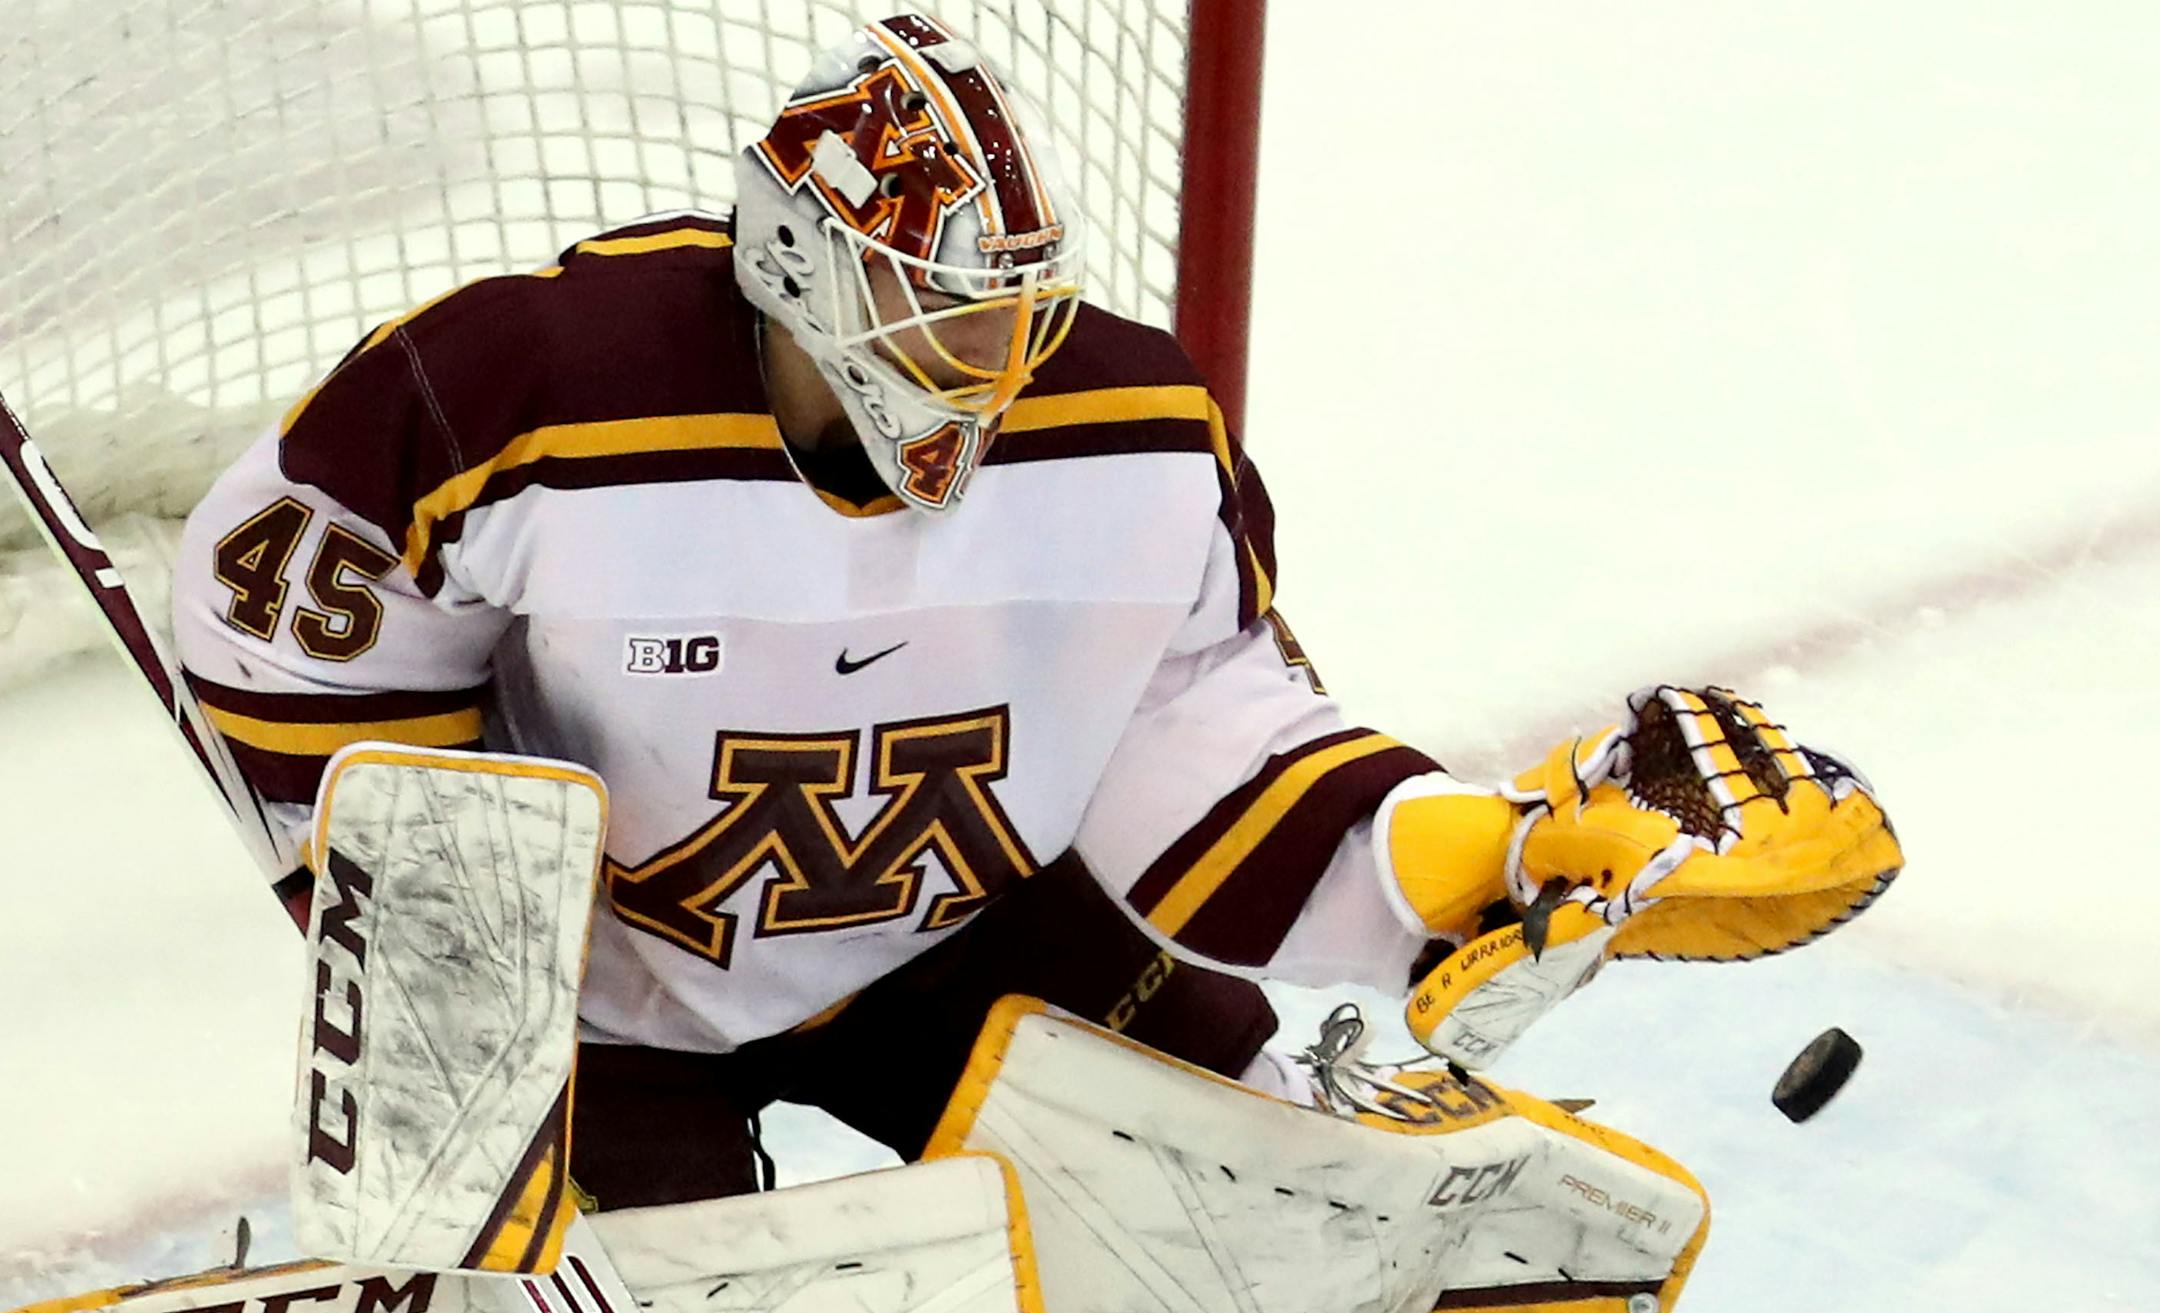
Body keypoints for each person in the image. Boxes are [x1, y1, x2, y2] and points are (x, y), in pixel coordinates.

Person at [170, 10, 1894, 1221]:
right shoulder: (528, 391)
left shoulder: (1126, 433)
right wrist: (441, 932)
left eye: (1006, 315)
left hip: (962, 938)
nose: (987, 366)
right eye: (937, 318)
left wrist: (1496, 858)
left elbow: (1201, 730)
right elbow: (282, 637)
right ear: (796, 270)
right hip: (593, 998)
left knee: (1318, 1225)